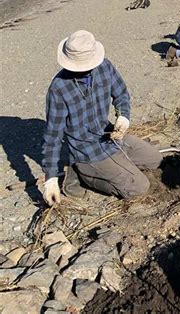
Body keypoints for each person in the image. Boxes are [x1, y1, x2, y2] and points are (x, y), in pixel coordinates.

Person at [42, 30, 163, 205]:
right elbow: (53, 136)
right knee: (139, 188)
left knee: (155, 160)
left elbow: (121, 94)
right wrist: (51, 178)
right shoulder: (59, 88)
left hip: (110, 138)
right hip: (87, 152)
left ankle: (117, 168)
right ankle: (82, 174)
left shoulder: (105, 67)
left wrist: (123, 118)